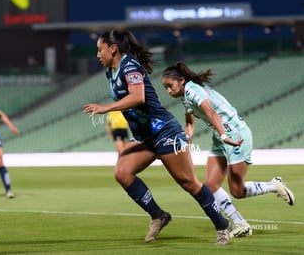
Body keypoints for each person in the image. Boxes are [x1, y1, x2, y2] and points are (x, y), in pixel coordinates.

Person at [83, 30, 230, 245]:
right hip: (145, 137)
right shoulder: (110, 71)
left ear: (112, 49)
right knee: (123, 173)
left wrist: (107, 108)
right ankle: (159, 215)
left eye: (100, 49)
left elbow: (138, 96)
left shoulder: (130, 66)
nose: (98, 54)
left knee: (189, 182)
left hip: (164, 131)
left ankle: (222, 226)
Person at [161, 61, 295, 237]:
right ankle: (241, 224)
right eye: (166, 89)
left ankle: (274, 185)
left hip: (236, 135)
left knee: (237, 191)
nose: (169, 91)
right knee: (211, 185)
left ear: (182, 80)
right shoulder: (185, 96)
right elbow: (189, 122)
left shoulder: (192, 90)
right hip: (221, 138)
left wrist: (225, 136)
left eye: (170, 86)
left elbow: (212, 113)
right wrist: (186, 138)